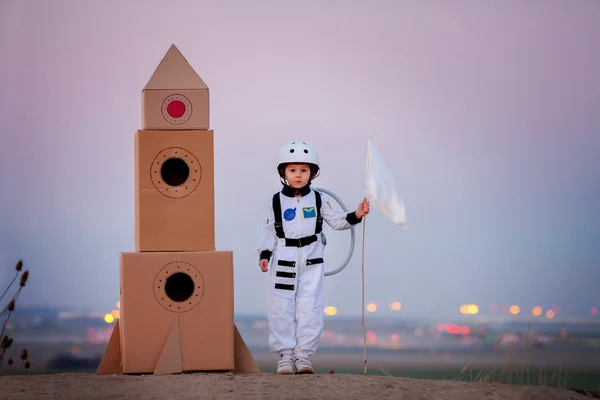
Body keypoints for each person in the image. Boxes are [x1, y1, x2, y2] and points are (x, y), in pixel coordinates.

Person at [257, 140, 369, 374]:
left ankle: (303, 356)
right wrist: (265, 254)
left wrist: (357, 214)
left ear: (313, 173)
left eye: (304, 170)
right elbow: (268, 231)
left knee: (311, 308)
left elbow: (338, 220)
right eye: (292, 170)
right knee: (281, 307)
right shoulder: (276, 201)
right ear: (283, 172)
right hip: (284, 258)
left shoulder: (318, 199)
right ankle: (285, 357)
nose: (298, 175)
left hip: (311, 259)